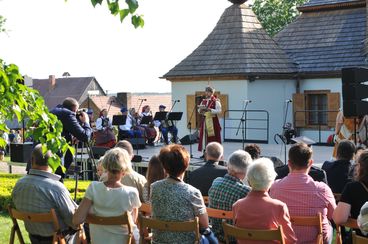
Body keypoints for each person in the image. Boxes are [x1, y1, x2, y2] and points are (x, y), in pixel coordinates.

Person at [270, 143, 336, 243]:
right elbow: (333, 216)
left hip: (285, 240)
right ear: (311, 163)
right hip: (315, 241)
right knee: (329, 226)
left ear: (289, 163)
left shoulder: (275, 187)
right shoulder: (322, 189)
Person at [12, 144, 78, 244]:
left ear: (32, 160)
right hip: (60, 239)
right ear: (53, 162)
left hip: (33, 238)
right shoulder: (56, 188)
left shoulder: (19, 184)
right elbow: (74, 221)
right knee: (85, 227)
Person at [73, 147, 141, 244]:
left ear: (106, 166)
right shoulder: (131, 193)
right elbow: (134, 222)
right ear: (124, 169)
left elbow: (77, 219)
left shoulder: (93, 187)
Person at [151, 144, 216, 243]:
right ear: (186, 165)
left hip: (159, 241)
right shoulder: (193, 192)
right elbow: (205, 224)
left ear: (164, 166)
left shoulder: (154, 187)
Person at [233, 158, 297, 244]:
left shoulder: (237, 205)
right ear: (271, 181)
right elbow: (291, 240)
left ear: (248, 181)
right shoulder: (279, 207)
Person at [208, 150, 253, 243]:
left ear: (228, 166)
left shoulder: (216, 181)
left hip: (215, 237)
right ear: (247, 171)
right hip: (234, 239)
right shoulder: (246, 191)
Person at [50, 97, 92, 178]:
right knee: (57, 181)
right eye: (76, 112)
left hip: (40, 154)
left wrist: (72, 136)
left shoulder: (53, 111)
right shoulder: (68, 114)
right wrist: (86, 122)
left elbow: (62, 130)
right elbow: (85, 136)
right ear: (74, 109)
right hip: (54, 159)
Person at [333, 149, 368, 238]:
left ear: (359, 167)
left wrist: (360, 224)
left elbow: (338, 219)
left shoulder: (352, 188)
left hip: (361, 239)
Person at [198, 86, 222, 153]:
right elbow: (199, 110)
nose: (206, 93)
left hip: (213, 121)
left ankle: (214, 152)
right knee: (204, 136)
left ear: (211, 92)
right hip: (205, 120)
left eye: (208, 92)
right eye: (206, 91)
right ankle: (205, 152)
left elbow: (219, 110)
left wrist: (210, 110)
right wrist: (200, 110)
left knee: (213, 137)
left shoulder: (216, 101)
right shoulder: (204, 101)